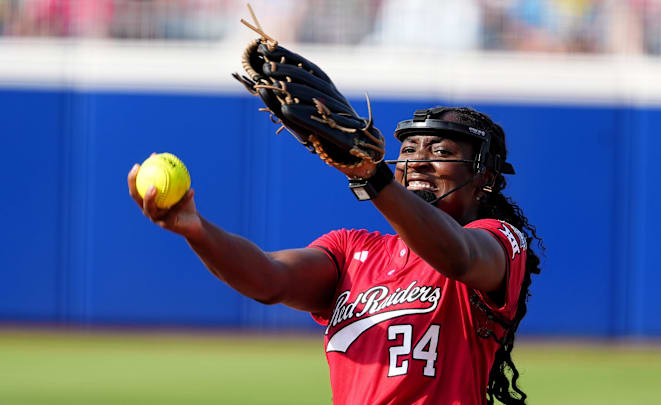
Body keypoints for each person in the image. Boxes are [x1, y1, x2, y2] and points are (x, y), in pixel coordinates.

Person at [127, 106, 543, 405]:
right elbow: (269, 279)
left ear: (484, 177)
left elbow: (457, 257)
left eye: (440, 151)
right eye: (412, 149)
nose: (419, 161)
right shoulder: (352, 249)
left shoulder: (497, 240)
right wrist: (196, 229)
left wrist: (373, 179)